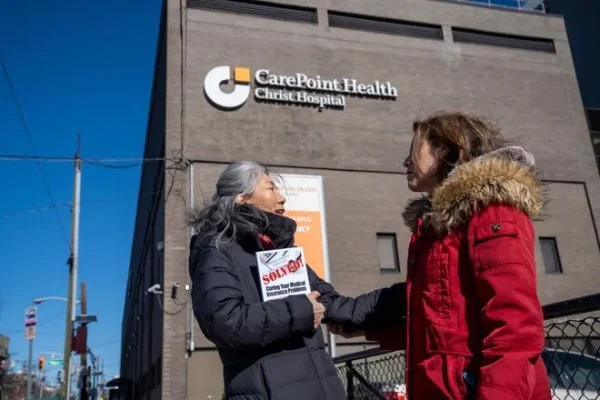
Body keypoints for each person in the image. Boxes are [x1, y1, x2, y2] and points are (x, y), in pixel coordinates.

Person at [330, 112, 552, 400]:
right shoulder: (435, 229)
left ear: (448, 152)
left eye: (413, 151)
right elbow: (440, 326)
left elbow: (514, 322)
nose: (406, 162)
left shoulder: (491, 209)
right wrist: (366, 331)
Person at [188, 161, 392, 400]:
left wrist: (408, 293)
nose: (282, 198)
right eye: (271, 188)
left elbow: (336, 306)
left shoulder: (279, 252)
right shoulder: (215, 248)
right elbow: (225, 322)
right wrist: (302, 310)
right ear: (242, 198)